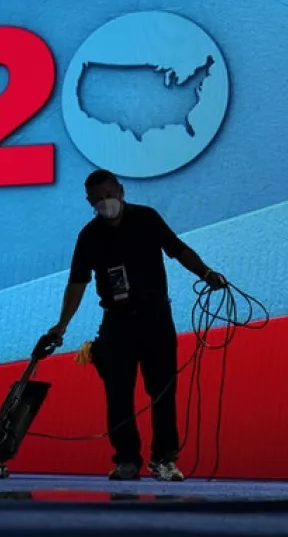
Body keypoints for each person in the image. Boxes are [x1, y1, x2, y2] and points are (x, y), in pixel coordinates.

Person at [46, 169, 226, 481]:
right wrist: (60, 326)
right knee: (118, 395)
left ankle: (164, 459)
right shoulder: (89, 236)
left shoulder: (147, 219)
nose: (106, 202)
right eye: (98, 198)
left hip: (156, 319)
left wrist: (207, 274)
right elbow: (77, 282)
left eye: (109, 194)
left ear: (121, 190)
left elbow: (178, 250)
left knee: (163, 393)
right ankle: (127, 460)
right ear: (89, 201)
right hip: (116, 323)